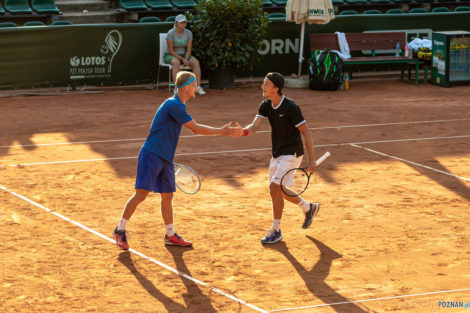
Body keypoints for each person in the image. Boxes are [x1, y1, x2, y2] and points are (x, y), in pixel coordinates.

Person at [113, 71, 242, 250]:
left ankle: (170, 235)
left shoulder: (178, 105)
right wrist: (222, 131)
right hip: (151, 155)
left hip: (165, 158)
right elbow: (195, 129)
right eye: (195, 84)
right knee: (141, 195)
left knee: (167, 196)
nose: (197, 88)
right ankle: (120, 230)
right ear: (187, 86)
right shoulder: (173, 105)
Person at [240, 72, 320, 244]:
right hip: (277, 153)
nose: (262, 87)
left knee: (274, 188)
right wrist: (243, 131)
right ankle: (308, 208)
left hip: (292, 154)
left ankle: (275, 230)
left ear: (275, 89)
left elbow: (306, 132)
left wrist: (311, 160)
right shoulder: (266, 105)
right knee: (277, 190)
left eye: (266, 85)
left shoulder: (291, 107)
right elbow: (254, 126)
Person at [165, 14, 206, 95]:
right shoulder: (170, 33)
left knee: (196, 62)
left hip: (184, 55)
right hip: (171, 55)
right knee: (176, 63)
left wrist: (186, 59)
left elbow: (189, 49)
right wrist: (183, 59)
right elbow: (170, 51)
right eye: (181, 22)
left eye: (184, 22)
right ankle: (177, 88)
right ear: (176, 23)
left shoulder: (189, 33)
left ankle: (197, 87)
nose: (183, 24)